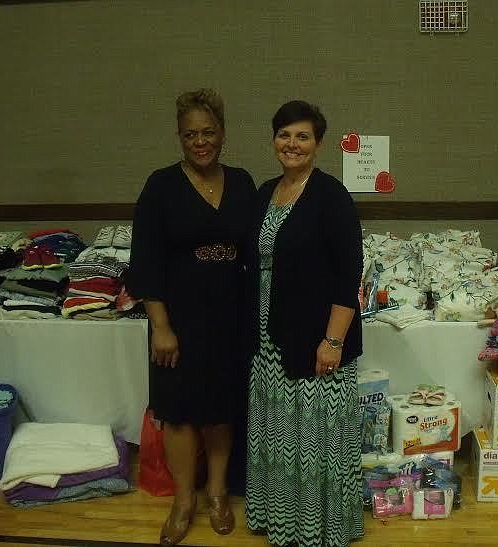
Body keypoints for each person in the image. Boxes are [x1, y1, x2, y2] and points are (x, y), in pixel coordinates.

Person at [127, 88, 256, 546]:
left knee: (220, 409)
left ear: (222, 132)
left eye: (208, 132)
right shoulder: (160, 186)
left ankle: (217, 493)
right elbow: (145, 261)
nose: (200, 142)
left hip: (230, 317)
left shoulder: (242, 183)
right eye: (189, 135)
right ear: (178, 137)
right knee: (179, 413)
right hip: (177, 320)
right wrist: (160, 326)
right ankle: (184, 500)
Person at [244, 100, 365, 546]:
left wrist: (333, 340)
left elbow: (348, 273)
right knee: (279, 435)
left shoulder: (331, 196)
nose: (291, 144)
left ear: (317, 144)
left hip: (317, 341)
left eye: (302, 136)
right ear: (273, 139)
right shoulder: (264, 192)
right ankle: (283, 522)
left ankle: (321, 529)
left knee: (316, 439)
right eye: (284, 135)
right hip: (268, 340)